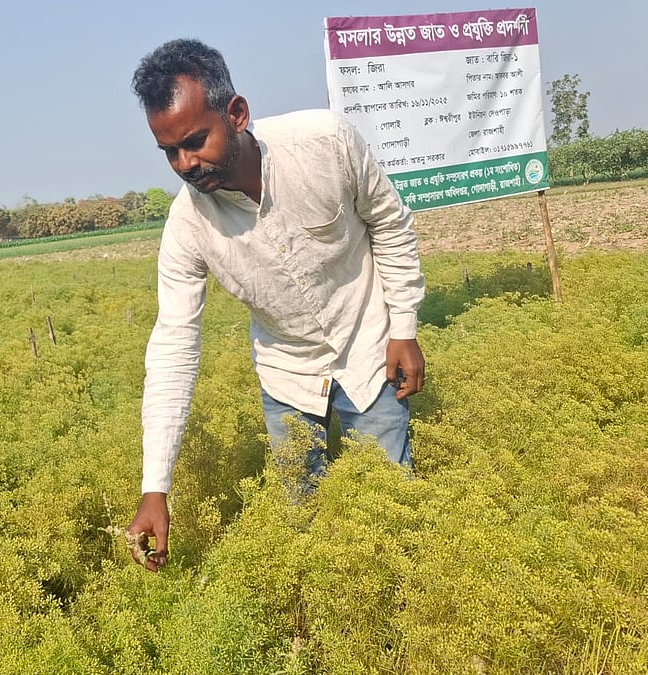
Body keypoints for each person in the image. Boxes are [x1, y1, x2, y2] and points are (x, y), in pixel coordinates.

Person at [126, 39, 426, 571]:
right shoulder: (188, 227)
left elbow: (390, 223)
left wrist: (403, 326)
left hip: (369, 353)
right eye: (170, 152)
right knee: (302, 522)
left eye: (196, 141)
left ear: (236, 114)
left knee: (392, 514)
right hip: (287, 375)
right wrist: (156, 486)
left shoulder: (326, 144)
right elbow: (174, 344)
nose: (186, 164)